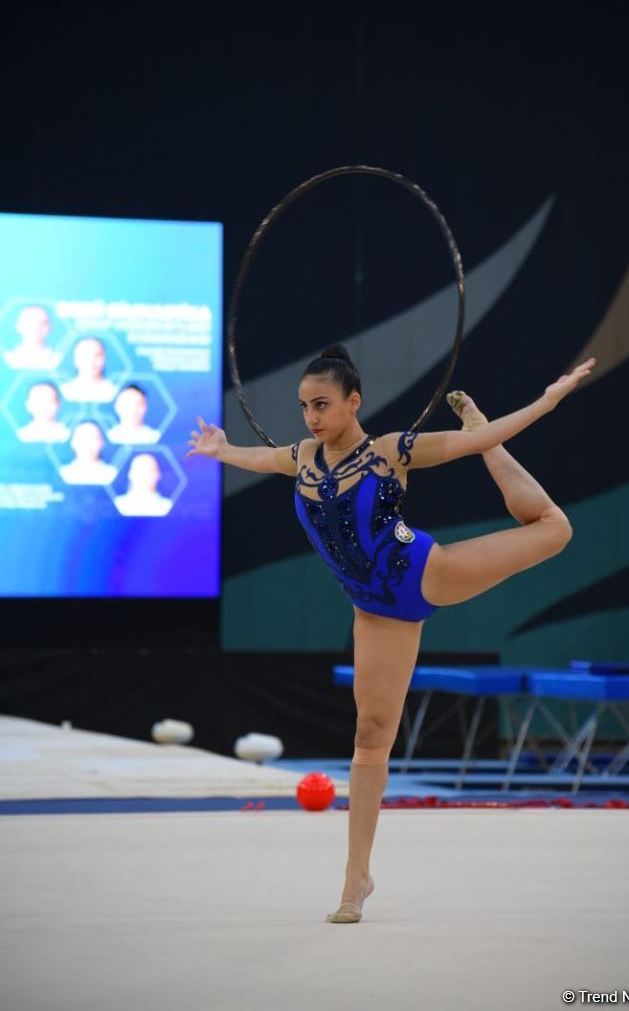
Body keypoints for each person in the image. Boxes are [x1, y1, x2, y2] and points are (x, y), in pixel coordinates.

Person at [186, 344, 595, 924]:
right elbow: (262, 459)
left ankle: (501, 445)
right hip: (375, 610)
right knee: (372, 733)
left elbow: (468, 445)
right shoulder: (301, 457)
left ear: (354, 401)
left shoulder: (388, 453)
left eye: (323, 404)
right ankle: (356, 879)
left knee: (554, 528)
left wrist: (546, 402)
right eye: (304, 406)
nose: (312, 418)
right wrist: (222, 449)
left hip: (425, 573)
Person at [60, 337, 118, 403]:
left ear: (104, 359)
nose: (90, 361)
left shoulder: (113, 392)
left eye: (97, 355)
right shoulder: (65, 392)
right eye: (85, 355)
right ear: (75, 359)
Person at [3, 305, 61, 371]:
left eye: (42, 323)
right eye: (30, 323)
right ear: (18, 326)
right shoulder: (8, 359)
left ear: (49, 327)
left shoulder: (57, 359)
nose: (36, 328)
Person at [58, 421, 117, 485]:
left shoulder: (111, 473)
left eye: (93, 438)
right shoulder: (64, 473)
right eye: (82, 438)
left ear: (102, 442)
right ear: (73, 442)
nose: (87, 443)